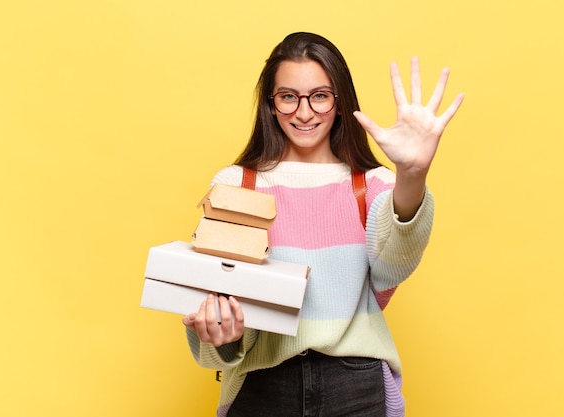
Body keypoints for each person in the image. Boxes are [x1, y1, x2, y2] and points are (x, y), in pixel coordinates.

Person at [182, 32, 464, 417]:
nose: (303, 112)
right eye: (288, 97)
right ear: (271, 104)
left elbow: (392, 269)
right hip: (263, 385)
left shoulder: (372, 185)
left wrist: (412, 175)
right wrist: (221, 336)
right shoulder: (237, 185)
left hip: (355, 384)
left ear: (340, 102)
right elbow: (212, 307)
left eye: (319, 95)